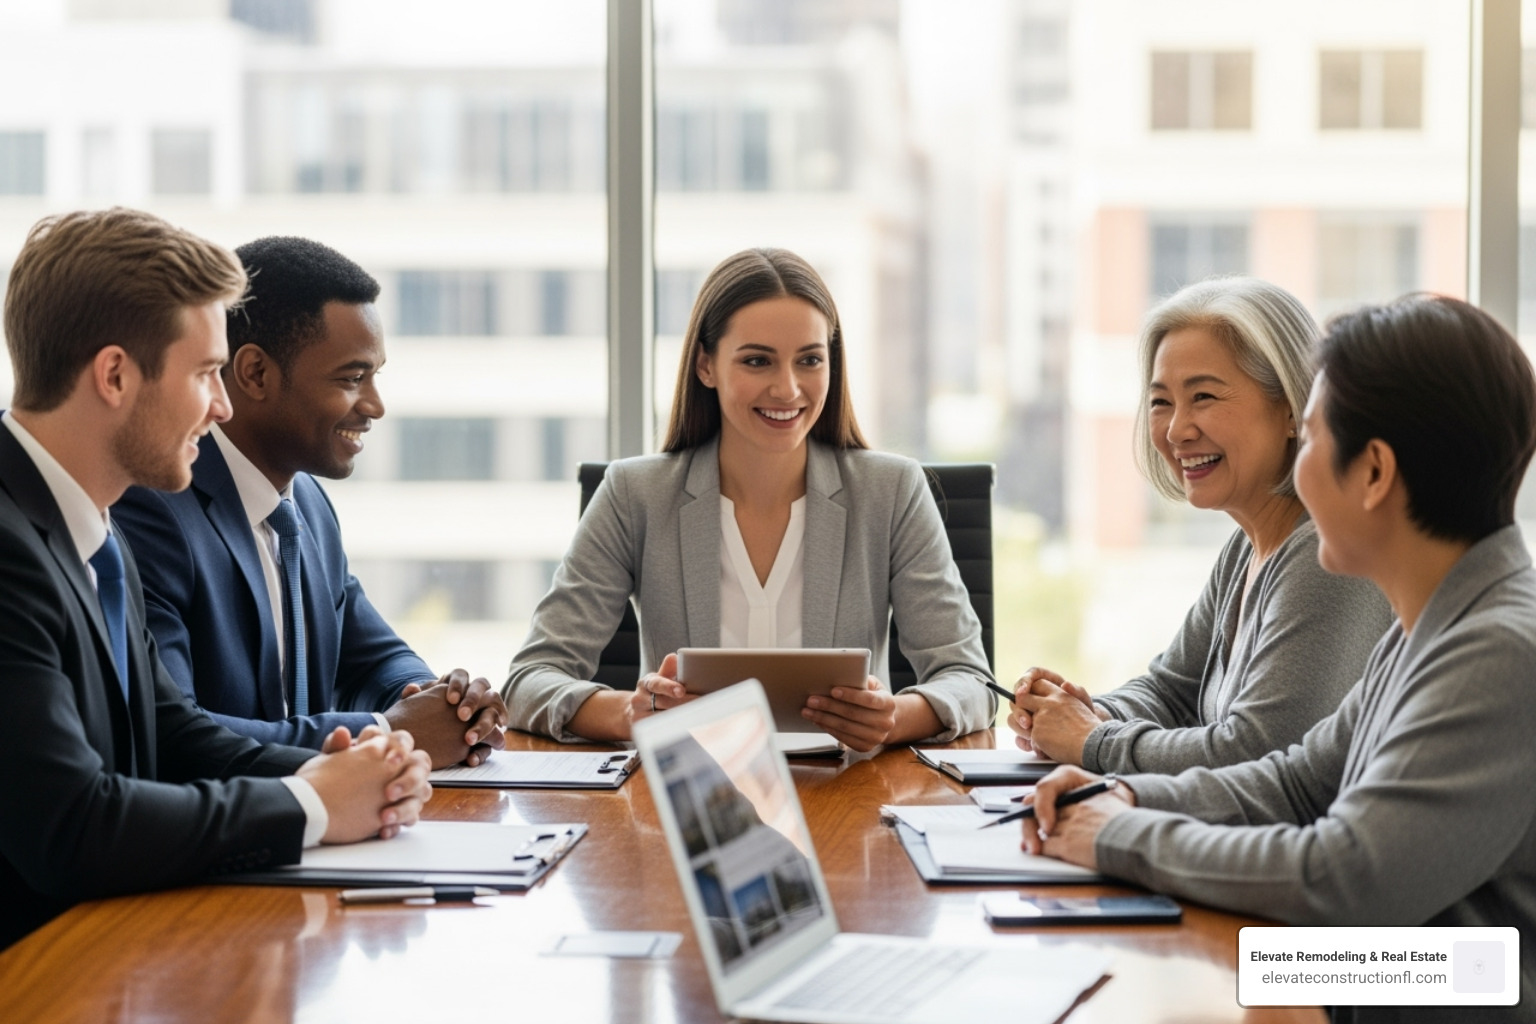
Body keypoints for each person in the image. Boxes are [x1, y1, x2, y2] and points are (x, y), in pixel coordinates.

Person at [1022, 295, 1536, 1023]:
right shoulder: (1432, 626)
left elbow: (1344, 877)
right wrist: (1131, 797)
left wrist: (1119, 834)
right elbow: (1297, 784)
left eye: (1311, 443)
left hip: (1462, 983)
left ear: (1374, 472)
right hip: (1412, 969)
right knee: (1129, 974)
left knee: (1158, 988)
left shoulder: (1501, 651)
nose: (1297, 475)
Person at [0, 208, 432, 949]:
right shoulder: (10, 550)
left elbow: (171, 734)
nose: (224, 405)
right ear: (114, 375)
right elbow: (70, 824)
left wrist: (360, 774)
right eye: (205, 374)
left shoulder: (94, 533)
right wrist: (311, 806)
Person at [504, 247, 995, 748]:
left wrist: (893, 718)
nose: (787, 389)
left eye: (809, 360)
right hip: (691, 797)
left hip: (850, 794)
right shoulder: (636, 495)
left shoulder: (892, 492)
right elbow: (530, 681)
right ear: (705, 365)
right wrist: (629, 713)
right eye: (758, 360)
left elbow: (971, 681)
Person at [112, 237, 506, 769]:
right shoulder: (153, 505)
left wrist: (444, 703)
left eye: (375, 376)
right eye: (351, 378)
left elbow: (369, 658)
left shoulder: (306, 506)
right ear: (255, 374)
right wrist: (385, 732)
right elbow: (177, 733)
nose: (375, 406)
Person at [1009, 278, 1392, 773]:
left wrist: (1092, 740)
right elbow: (1172, 692)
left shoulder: (1326, 555)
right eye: (1161, 401)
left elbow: (1254, 756)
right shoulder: (1247, 545)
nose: (1176, 430)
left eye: (1204, 396)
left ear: (1293, 408)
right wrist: (1088, 713)